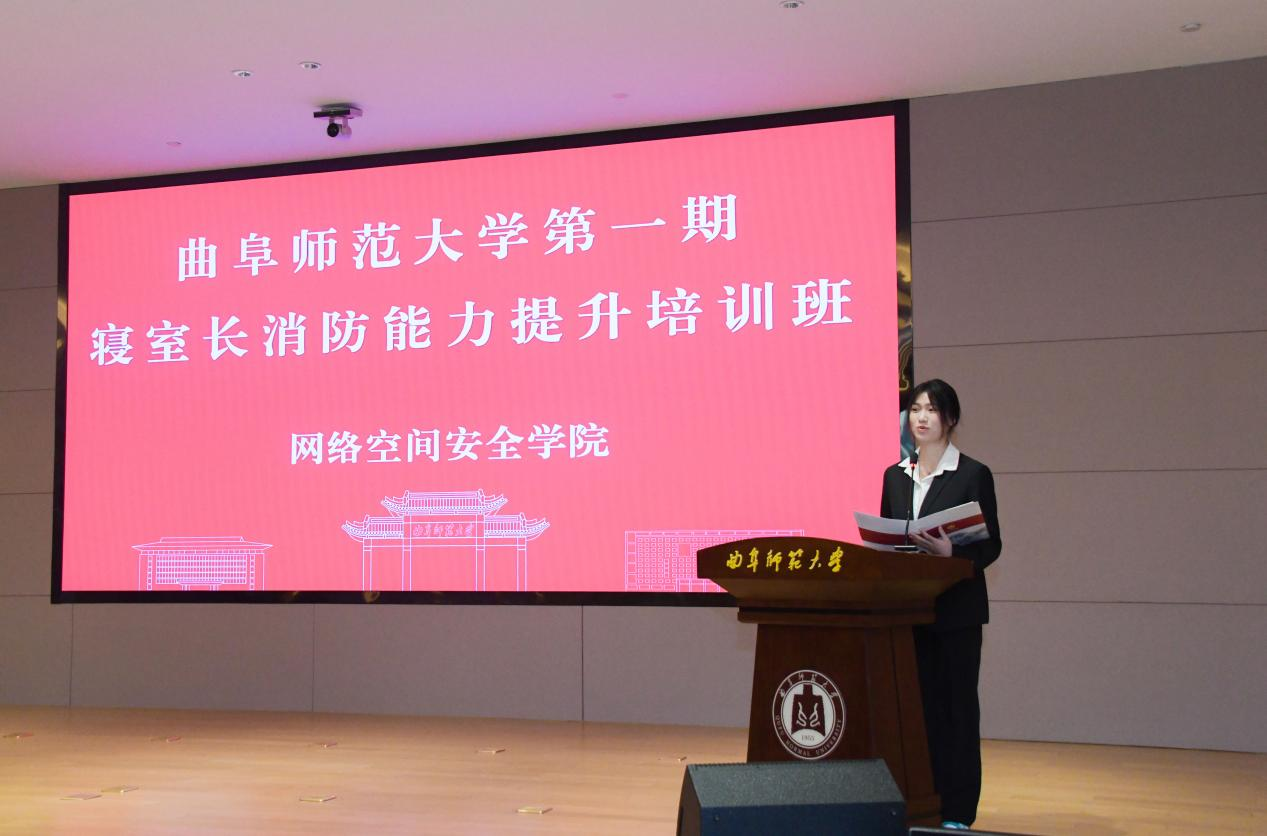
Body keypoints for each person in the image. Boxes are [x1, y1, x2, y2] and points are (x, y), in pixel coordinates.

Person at [879, 379, 1002, 830]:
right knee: (915, 713)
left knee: (956, 713)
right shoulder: (895, 476)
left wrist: (954, 554)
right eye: (915, 409)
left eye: (932, 410)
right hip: (909, 613)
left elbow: (991, 546)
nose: (922, 418)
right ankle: (920, 802)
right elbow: (888, 537)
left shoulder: (972, 474)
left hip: (956, 614)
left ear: (950, 418)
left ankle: (957, 812)